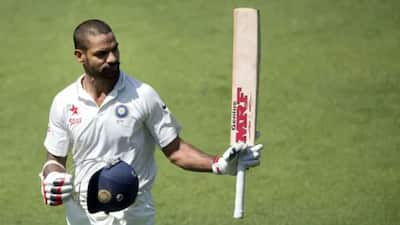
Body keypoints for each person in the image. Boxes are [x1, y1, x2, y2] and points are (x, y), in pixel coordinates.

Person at [39, 19, 263, 225]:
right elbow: (55, 159)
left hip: (132, 214)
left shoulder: (143, 95)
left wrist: (217, 164)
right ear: (80, 56)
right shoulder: (64, 102)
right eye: (102, 54)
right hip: (82, 215)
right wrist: (53, 178)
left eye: (115, 48)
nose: (113, 58)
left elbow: (175, 150)